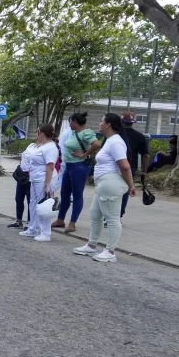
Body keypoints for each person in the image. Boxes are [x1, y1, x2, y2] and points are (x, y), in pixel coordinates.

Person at [73, 113, 137, 263]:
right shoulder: (109, 141)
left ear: (108, 124)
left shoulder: (115, 142)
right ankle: (91, 245)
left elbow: (125, 167)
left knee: (112, 218)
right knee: (95, 214)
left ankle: (110, 251)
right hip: (103, 184)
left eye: (102, 121)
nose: (99, 124)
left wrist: (131, 186)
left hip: (110, 183)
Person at [51, 112, 101, 233]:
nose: (69, 124)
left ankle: (72, 223)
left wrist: (84, 154)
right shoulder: (74, 132)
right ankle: (60, 219)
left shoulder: (86, 133)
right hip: (69, 165)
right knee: (65, 193)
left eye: (70, 122)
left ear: (74, 122)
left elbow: (97, 144)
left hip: (78, 166)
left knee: (77, 194)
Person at [18, 124, 59, 241]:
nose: (36, 135)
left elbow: (50, 167)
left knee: (44, 205)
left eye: (37, 132)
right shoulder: (41, 146)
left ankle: (45, 232)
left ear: (42, 133)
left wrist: (47, 184)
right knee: (33, 203)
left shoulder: (50, 147)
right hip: (35, 178)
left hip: (43, 179)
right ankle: (32, 228)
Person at [120, 112, 149, 218]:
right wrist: (144, 171)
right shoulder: (140, 136)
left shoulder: (114, 135)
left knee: (113, 191)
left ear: (121, 122)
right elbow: (145, 155)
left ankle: (108, 216)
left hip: (115, 166)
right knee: (124, 191)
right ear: (133, 123)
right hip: (130, 167)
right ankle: (119, 214)